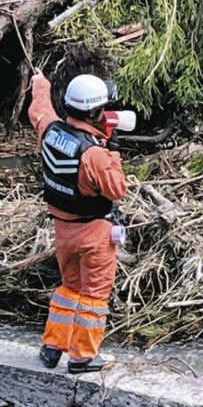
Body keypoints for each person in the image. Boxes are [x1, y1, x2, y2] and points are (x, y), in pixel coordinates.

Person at [28, 70, 128, 373]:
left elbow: (39, 108)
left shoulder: (49, 129)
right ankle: (83, 357)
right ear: (96, 112)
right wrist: (112, 150)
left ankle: (52, 347)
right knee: (94, 297)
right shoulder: (95, 154)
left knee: (69, 287)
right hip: (93, 234)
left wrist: (40, 84)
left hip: (63, 231)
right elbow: (117, 189)